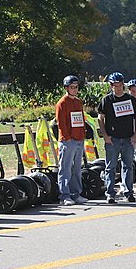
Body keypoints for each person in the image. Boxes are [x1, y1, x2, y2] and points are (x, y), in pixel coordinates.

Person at [98, 72, 136, 203]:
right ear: (111, 86)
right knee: (110, 166)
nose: (118, 88)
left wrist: (135, 134)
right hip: (112, 139)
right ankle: (110, 193)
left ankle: (128, 192)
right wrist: (105, 135)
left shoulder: (130, 99)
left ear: (123, 85)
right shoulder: (106, 100)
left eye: (120, 85)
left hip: (128, 138)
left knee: (128, 166)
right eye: (115, 86)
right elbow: (100, 117)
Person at [55, 75, 89, 206]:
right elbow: (61, 123)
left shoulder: (78, 102)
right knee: (65, 168)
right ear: (66, 88)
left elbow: (80, 119)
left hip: (79, 139)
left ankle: (76, 193)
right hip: (68, 141)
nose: (74, 90)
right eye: (72, 87)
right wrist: (67, 138)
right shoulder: (62, 103)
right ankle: (64, 195)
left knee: (76, 169)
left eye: (76, 87)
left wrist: (83, 134)